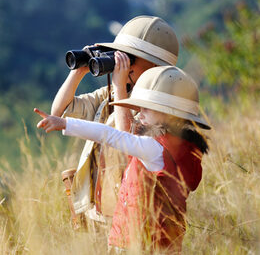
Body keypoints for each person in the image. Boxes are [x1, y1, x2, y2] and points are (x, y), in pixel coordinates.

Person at [35, 66, 211, 253]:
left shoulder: (155, 148)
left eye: (147, 108)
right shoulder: (182, 149)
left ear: (169, 114)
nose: (139, 113)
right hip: (163, 243)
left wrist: (65, 123)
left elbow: (110, 135)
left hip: (135, 242)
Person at [51, 15, 179, 224]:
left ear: (155, 67)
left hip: (129, 214)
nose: (124, 62)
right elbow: (59, 111)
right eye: (121, 55)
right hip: (97, 209)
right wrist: (80, 70)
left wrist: (120, 86)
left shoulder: (159, 110)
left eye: (131, 57)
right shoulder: (110, 94)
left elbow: (127, 142)